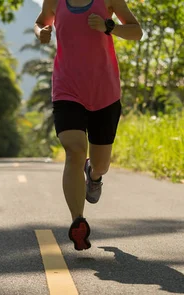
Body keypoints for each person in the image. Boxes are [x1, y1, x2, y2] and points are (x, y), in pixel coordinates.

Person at [34, 0, 142, 251]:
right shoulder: (55, 1)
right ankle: (77, 222)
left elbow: (136, 31)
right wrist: (42, 33)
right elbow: (41, 22)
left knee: (102, 164)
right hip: (67, 90)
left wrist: (109, 27)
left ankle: (93, 175)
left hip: (104, 92)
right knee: (74, 151)